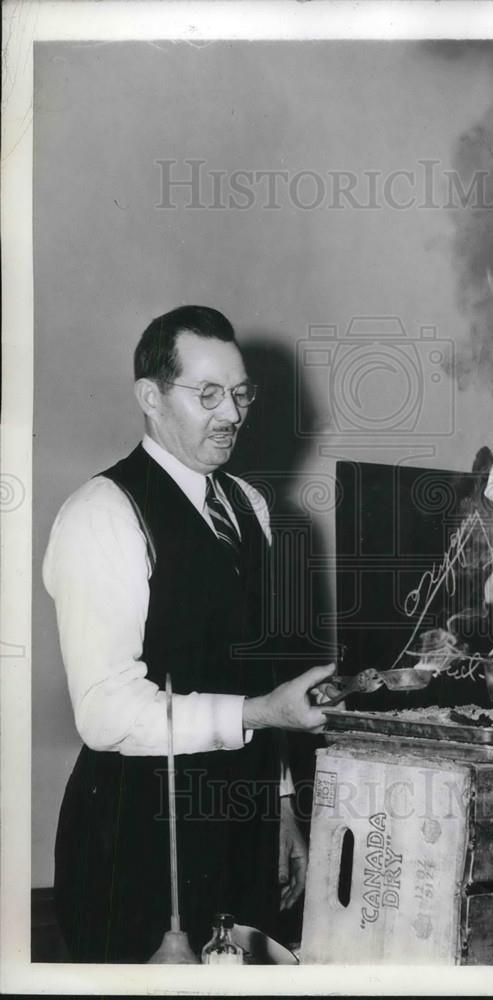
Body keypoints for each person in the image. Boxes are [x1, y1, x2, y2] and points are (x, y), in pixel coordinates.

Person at [42, 305, 334, 962]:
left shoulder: (250, 507)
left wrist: (282, 804)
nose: (231, 414)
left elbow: (261, 675)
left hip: (243, 831)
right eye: (208, 395)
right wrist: (261, 713)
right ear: (150, 397)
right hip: (138, 848)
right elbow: (105, 712)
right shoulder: (102, 513)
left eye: (240, 394)